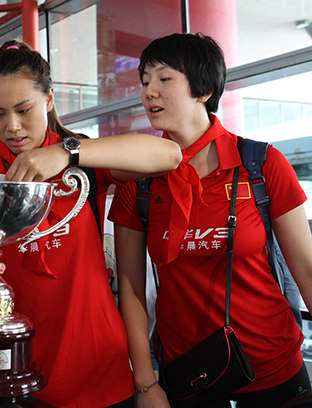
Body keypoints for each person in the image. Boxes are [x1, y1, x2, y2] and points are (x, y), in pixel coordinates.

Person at [0, 40, 182, 408]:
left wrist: (66, 151)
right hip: (14, 375)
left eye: (24, 109)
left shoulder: (80, 159)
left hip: (100, 371)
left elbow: (168, 154)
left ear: (50, 99)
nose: (13, 126)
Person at [110, 33, 312, 408]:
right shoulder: (136, 183)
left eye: (164, 79)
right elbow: (132, 290)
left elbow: (308, 270)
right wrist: (145, 383)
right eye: (144, 81)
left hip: (274, 368)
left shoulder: (261, 165)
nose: (149, 91)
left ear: (203, 89)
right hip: (189, 374)